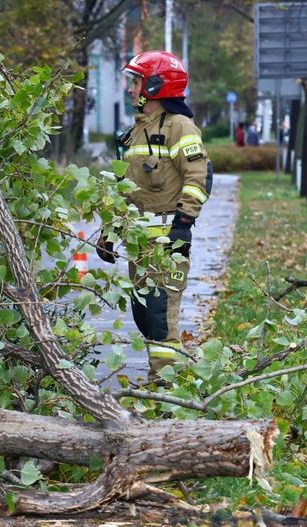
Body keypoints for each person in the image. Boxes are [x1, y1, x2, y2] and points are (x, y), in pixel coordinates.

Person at [96, 50, 212, 379]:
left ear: (156, 85)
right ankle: (159, 382)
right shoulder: (136, 133)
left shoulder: (180, 128)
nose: (131, 89)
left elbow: (196, 178)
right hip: (139, 246)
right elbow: (123, 188)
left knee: (161, 319)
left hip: (167, 244)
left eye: (136, 82)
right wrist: (108, 231)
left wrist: (183, 225)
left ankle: (168, 391)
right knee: (144, 316)